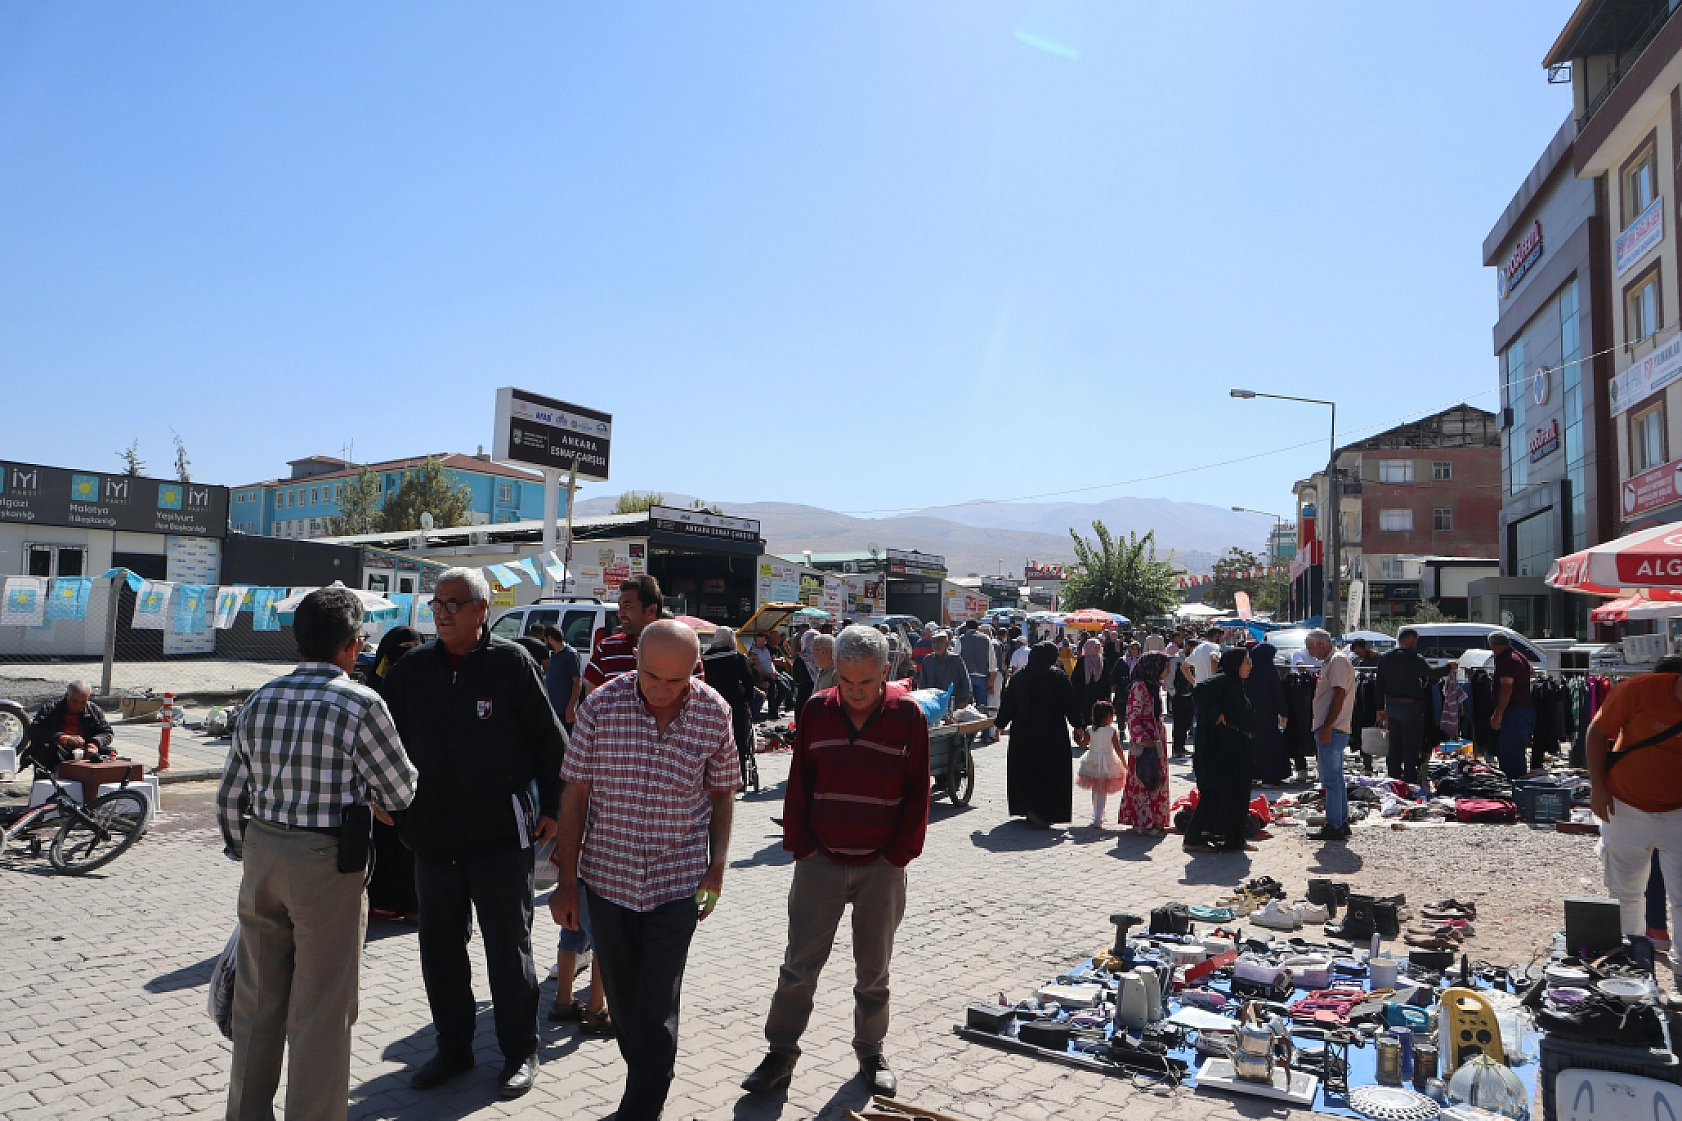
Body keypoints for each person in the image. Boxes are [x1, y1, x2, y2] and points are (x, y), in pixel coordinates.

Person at [217, 587, 418, 1121]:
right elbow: (400, 792)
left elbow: (231, 794)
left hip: (262, 853)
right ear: (353, 646)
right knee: (322, 1011)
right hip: (327, 862)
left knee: (257, 1005)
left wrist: (253, 851)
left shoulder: (261, 698)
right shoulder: (361, 703)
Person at [384, 568, 568, 1100]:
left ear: (481, 609)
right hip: (432, 839)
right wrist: (380, 795)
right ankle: (453, 1048)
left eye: (454, 603)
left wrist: (553, 807)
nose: (442, 612)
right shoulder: (412, 670)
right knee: (440, 949)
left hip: (498, 839)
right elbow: (384, 740)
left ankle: (519, 1051)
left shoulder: (510, 665)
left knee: (507, 949)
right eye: (436, 603)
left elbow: (549, 742)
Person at [550, 620, 739, 1121]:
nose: (661, 690)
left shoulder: (713, 713)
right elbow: (574, 798)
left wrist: (716, 868)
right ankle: (648, 1081)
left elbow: (723, 795)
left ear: (694, 671)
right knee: (628, 1002)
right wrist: (566, 884)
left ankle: (641, 1105)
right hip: (607, 882)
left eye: (674, 681)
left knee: (655, 1002)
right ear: (636, 661)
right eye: (651, 676)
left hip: (677, 884)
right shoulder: (600, 708)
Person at [742, 626, 929, 1097]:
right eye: (846, 682)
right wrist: (801, 845)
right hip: (819, 862)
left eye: (865, 683)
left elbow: (917, 790)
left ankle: (871, 1051)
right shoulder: (816, 709)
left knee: (874, 971)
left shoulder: (908, 716)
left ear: (884, 673)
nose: (854, 692)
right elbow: (799, 782)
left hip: (882, 866)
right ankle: (780, 1053)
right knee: (798, 967)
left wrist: (899, 853)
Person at [1587, 655, 1682, 982]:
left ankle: (1680, 973)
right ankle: (1631, 969)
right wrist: (1598, 788)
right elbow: (1596, 733)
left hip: (1678, 812)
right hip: (1625, 806)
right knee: (1626, 892)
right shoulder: (1638, 690)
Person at [365, 626, 423, 922]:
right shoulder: (373, 694)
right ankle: (390, 902)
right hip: (383, 782)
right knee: (388, 844)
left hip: (416, 781)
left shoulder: (429, 684)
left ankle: (411, 902)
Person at [995, 642, 1079, 828]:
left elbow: (1008, 704)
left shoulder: (1018, 678)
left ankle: (1028, 807)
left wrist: (1000, 725)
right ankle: (1045, 811)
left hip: (1023, 734)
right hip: (1052, 734)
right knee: (1050, 772)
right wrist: (1078, 726)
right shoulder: (1058, 677)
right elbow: (1070, 704)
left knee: (1026, 770)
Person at [1183, 647, 1256, 853]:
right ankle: (1193, 838)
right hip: (1224, 750)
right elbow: (1199, 690)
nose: (1250, 666)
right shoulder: (1222, 679)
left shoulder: (1235, 684)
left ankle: (1235, 839)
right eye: (1246, 662)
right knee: (1216, 793)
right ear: (1235, 664)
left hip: (1239, 748)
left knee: (1238, 795)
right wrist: (1215, 713)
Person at [1375, 627, 1445, 782]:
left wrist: (1379, 707)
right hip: (1411, 707)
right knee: (1411, 744)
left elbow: (1379, 684)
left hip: (1391, 706)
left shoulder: (1385, 658)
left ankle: (1393, 777)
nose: (1416, 644)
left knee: (1395, 743)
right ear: (1407, 639)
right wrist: (1449, 667)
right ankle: (1409, 779)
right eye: (1415, 640)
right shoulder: (1414, 657)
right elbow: (1431, 673)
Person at [1304, 629, 1355, 842]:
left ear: (1321, 644)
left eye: (1310, 647)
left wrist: (1327, 726)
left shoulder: (1337, 661)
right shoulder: (1332, 661)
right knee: (1335, 779)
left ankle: (1334, 825)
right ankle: (1340, 822)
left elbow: (1339, 693)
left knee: (1330, 780)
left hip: (1332, 728)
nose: (1308, 652)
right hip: (1332, 727)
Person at [1118, 653, 1172, 835]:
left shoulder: (1154, 686)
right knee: (1144, 779)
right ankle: (1143, 823)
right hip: (1145, 743)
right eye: (1165, 667)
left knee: (1156, 778)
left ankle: (1156, 820)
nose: (1168, 671)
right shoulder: (1139, 687)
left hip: (1156, 740)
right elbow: (1132, 716)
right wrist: (1142, 739)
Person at [585, 574, 664, 692]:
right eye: (620, 606)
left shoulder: (683, 650)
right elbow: (591, 702)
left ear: (651, 610)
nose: (620, 614)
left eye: (628, 606)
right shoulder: (606, 649)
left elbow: (695, 703)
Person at [702, 626, 759, 789]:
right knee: (738, 741)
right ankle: (739, 779)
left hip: (710, 705)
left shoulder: (705, 659)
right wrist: (747, 699)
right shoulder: (737, 657)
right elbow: (749, 682)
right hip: (734, 704)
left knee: (711, 743)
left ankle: (711, 778)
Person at [26, 680, 115, 766]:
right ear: (66, 696)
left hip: (85, 750)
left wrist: (94, 744)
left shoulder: (93, 710)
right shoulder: (50, 709)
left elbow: (107, 732)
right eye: (75, 701)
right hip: (59, 750)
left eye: (83, 702)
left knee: (110, 753)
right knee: (45, 750)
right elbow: (34, 731)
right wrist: (64, 738)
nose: (78, 706)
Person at [1488, 631, 1536, 780]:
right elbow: (1531, 672)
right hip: (1524, 710)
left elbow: (1507, 687)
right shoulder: (1519, 656)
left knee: (1511, 754)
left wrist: (1498, 714)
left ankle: (1515, 787)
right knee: (1515, 751)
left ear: (1493, 645)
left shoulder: (1506, 660)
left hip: (1513, 712)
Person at [1245, 643, 1291, 785]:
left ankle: (1253, 774)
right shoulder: (1270, 669)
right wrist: (1283, 712)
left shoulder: (1249, 668)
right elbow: (1277, 692)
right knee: (1270, 745)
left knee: (1253, 744)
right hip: (1268, 713)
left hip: (1250, 712)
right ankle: (1270, 775)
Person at [1076, 700, 1127, 829]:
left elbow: (1083, 744)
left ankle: (1097, 814)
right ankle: (1098, 816)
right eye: (1112, 715)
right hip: (1107, 761)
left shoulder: (1090, 730)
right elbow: (1118, 749)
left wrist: (1077, 739)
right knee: (1102, 790)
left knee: (1095, 788)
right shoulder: (1111, 731)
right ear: (1107, 717)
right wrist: (1124, 762)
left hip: (1092, 760)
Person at [540, 623, 584, 732]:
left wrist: (571, 707)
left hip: (564, 711)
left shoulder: (571, 655)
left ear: (550, 638)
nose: (545, 643)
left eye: (545, 640)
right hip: (553, 709)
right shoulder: (553, 655)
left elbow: (577, 681)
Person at [917, 630, 974, 709]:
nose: (936, 644)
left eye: (940, 641)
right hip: (933, 703)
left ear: (947, 644)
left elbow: (965, 680)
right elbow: (922, 683)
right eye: (934, 642)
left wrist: (965, 699)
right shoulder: (927, 660)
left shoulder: (956, 659)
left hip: (954, 704)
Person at [1068, 637, 1108, 729]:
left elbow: (1106, 679)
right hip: (1084, 694)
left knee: (1098, 715)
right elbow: (1075, 678)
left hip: (1099, 693)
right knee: (1085, 715)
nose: (1097, 650)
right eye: (1095, 648)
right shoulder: (1082, 661)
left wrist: (1107, 694)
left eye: (1098, 648)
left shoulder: (1103, 661)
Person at [958, 620, 997, 715]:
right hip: (982, 676)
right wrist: (991, 680)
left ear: (966, 628)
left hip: (966, 677)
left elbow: (955, 657)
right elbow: (992, 661)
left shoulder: (962, 639)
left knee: (967, 709)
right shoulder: (986, 639)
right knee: (983, 708)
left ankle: (969, 729)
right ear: (978, 628)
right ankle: (984, 729)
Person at [1167, 642, 1196, 760]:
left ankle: (1182, 746)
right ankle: (1177, 748)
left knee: (1187, 722)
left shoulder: (1193, 660)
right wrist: (1173, 693)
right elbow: (1170, 677)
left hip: (1190, 695)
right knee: (1178, 723)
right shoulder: (1176, 660)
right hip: (1178, 695)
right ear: (1188, 647)